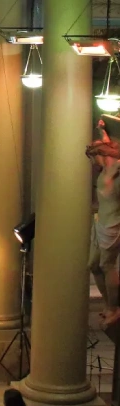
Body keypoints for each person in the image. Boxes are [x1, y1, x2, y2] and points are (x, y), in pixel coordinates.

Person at [86, 124, 120, 323]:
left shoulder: (116, 170)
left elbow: (108, 148)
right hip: (101, 220)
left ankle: (114, 308)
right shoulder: (106, 168)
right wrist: (102, 130)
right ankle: (108, 303)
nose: (93, 161)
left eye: (94, 156)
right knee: (93, 264)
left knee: (107, 265)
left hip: (113, 224)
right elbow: (105, 145)